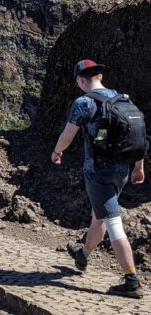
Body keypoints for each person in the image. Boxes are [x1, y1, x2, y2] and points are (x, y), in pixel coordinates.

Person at [52, 59, 146, 299]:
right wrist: (138, 167)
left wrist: (57, 151)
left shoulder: (83, 102)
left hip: (98, 172)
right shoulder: (121, 98)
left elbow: (67, 134)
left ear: (80, 80)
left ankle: (131, 279)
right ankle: (83, 255)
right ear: (100, 77)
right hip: (122, 170)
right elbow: (138, 134)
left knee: (113, 223)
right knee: (100, 215)